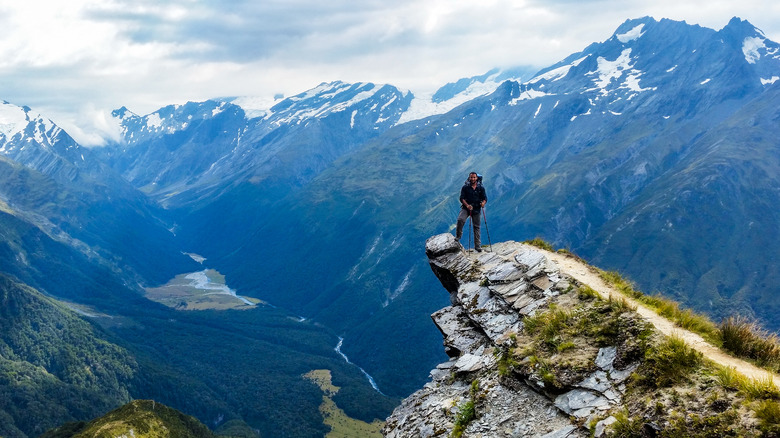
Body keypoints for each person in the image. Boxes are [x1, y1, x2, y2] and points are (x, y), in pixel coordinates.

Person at [455, 172, 487, 252]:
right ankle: (458, 236)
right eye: (471, 177)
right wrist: (467, 205)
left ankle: (477, 246)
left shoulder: (481, 188)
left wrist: (483, 203)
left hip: (476, 209)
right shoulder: (465, 187)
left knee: (476, 227)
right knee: (460, 219)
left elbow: (485, 198)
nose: (472, 179)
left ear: (476, 178)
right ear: (469, 178)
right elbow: (461, 198)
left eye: (474, 177)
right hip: (466, 208)